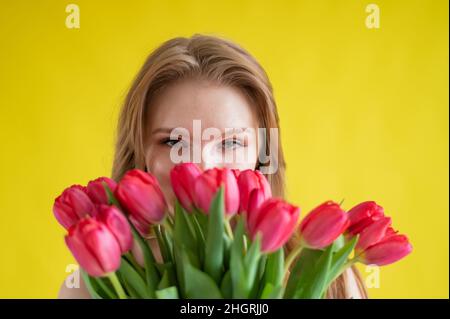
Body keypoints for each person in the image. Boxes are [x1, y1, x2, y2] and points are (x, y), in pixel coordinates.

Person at [58, 34, 367, 299]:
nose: (202, 166)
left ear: (262, 154)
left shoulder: (328, 278)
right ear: (140, 155)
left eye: (231, 143)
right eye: (173, 143)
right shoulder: (92, 287)